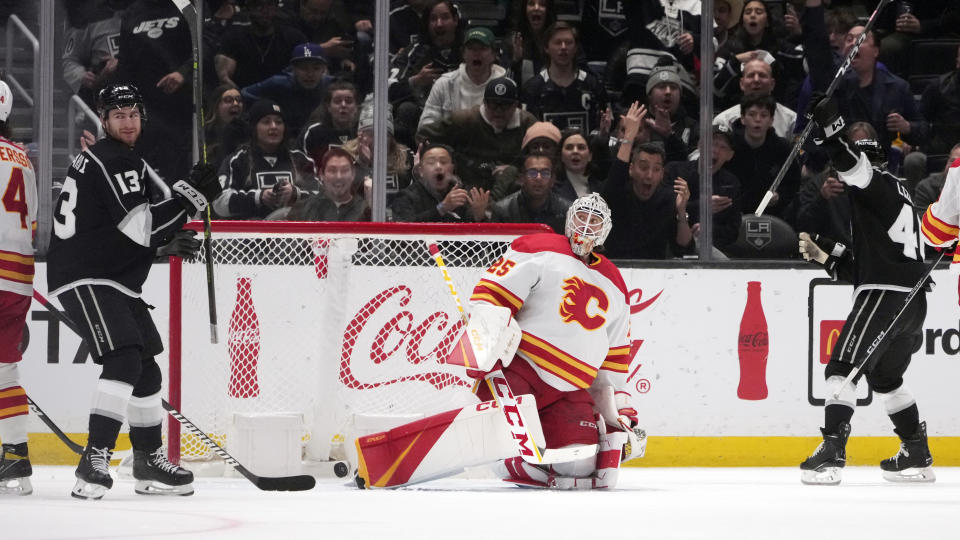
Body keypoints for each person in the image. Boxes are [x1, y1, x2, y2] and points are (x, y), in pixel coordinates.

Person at [46, 84, 222, 499]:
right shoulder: (115, 159)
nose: (127, 121)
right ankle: (94, 459)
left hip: (112, 275)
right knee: (124, 359)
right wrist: (190, 197)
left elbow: (125, 229)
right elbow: (143, 228)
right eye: (118, 114)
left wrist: (161, 243)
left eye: (133, 114)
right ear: (104, 120)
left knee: (146, 366)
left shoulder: (120, 158)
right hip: (88, 275)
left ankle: (147, 461)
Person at [797, 94, 934, 485]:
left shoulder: (875, 183)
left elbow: (850, 165)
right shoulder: (898, 193)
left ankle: (831, 455)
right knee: (887, 379)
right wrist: (830, 259)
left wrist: (830, 124)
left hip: (885, 294)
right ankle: (916, 453)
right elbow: (876, 258)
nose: (843, 176)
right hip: (912, 300)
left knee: (842, 368)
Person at [469, 192, 639, 488]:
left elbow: (615, 356)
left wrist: (620, 410)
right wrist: (485, 337)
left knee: (579, 463)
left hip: (570, 390)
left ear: (606, 230)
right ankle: (505, 459)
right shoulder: (538, 247)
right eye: (581, 217)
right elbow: (492, 296)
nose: (586, 227)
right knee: (497, 440)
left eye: (595, 220)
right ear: (568, 218)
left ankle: (529, 465)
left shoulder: (615, 282)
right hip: (522, 373)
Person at [0, 82, 38, 496]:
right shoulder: (23, 158)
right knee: (3, 370)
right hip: (18, 276)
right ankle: (15, 460)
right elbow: (33, 221)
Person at [601, 103, 694, 259]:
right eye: (643, 167)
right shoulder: (617, 192)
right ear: (631, 169)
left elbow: (684, 249)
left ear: (662, 174)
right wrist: (629, 136)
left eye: (656, 169)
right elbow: (617, 174)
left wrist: (681, 212)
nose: (649, 175)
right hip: (616, 269)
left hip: (654, 274)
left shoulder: (669, 199)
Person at [417, 76, 537, 196]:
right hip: (469, 183)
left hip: (513, 187)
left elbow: (540, 158)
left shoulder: (527, 123)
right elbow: (424, 135)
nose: (498, 111)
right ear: (484, 103)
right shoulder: (465, 120)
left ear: (516, 105)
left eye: (505, 106)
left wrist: (516, 171)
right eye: (493, 105)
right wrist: (449, 166)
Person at [214, 99, 318, 219]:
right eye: (266, 122)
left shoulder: (300, 159)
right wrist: (259, 197)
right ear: (254, 127)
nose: (274, 127)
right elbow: (219, 203)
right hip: (249, 235)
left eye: (279, 122)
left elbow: (326, 198)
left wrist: (296, 194)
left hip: (295, 235)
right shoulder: (238, 160)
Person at [520, 22, 608, 134]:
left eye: (568, 42)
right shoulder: (532, 88)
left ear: (576, 48)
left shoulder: (593, 85)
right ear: (546, 48)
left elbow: (603, 125)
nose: (563, 47)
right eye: (557, 42)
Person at [418, 26, 506, 131]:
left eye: (483, 48)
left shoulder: (505, 87)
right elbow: (425, 127)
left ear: (494, 54)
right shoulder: (444, 84)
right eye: (471, 48)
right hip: (451, 144)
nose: (476, 53)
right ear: (463, 53)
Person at [241, 43, 330, 138]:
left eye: (316, 68)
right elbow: (244, 94)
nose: (310, 74)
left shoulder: (332, 85)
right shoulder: (277, 83)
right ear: (293, 69)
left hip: (319, 137)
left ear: (324, 69)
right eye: (304, 68)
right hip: (283, 138)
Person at [390, 142, 487, 222]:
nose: (438, 166)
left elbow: (480, 241)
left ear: (452, 168)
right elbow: (403, 233)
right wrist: (441, 208)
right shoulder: (406, 197)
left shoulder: (466, 196)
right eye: (431, 162)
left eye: (444, 162)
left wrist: (479, 218)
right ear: (421, 171)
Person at [490, 153, 570, 233]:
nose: (538, 178)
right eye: (532, 173)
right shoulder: (503, 210)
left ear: (553, 180)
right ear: (522, 179)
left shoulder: (567, 210)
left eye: (545, 173)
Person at [287, 146, 370, 221]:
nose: (339, 177)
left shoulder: (365, 211)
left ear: (353, 174)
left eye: (344, 170)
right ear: (321, 175)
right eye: (332, 170)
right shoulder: (302, 209)